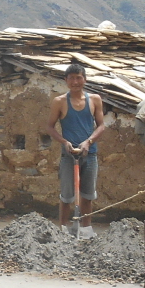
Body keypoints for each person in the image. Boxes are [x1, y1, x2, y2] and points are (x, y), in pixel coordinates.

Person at [45, 60, 105, 238]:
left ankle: (86, 229)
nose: (75, 82)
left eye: (78, 78)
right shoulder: (60, 102)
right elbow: (50, 127)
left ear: (85, 80)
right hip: (68, 155)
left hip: (90, 154)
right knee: (67, 195)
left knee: (88, 194)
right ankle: (63, 228)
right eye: (71, 78)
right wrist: (64, 142)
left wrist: (89, 141)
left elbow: (101, 126)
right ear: (66, 80)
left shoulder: (94, 100)